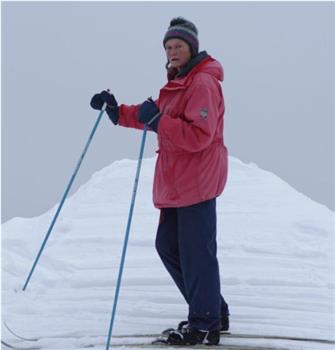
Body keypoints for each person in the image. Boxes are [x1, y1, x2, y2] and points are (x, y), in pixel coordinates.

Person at [90, 17, 230, 346]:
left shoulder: (202, 83)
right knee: (168, 246)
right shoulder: (179, 83)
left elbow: (199, 135)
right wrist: (116, 111)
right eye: (168, 47)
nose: (172, 51)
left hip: (196, 180)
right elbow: (152, 113)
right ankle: (212, 310)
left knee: (197, 253)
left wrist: (157, 120)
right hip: (176, 183)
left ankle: (205, 323)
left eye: (178, 45)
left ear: (191, 47)